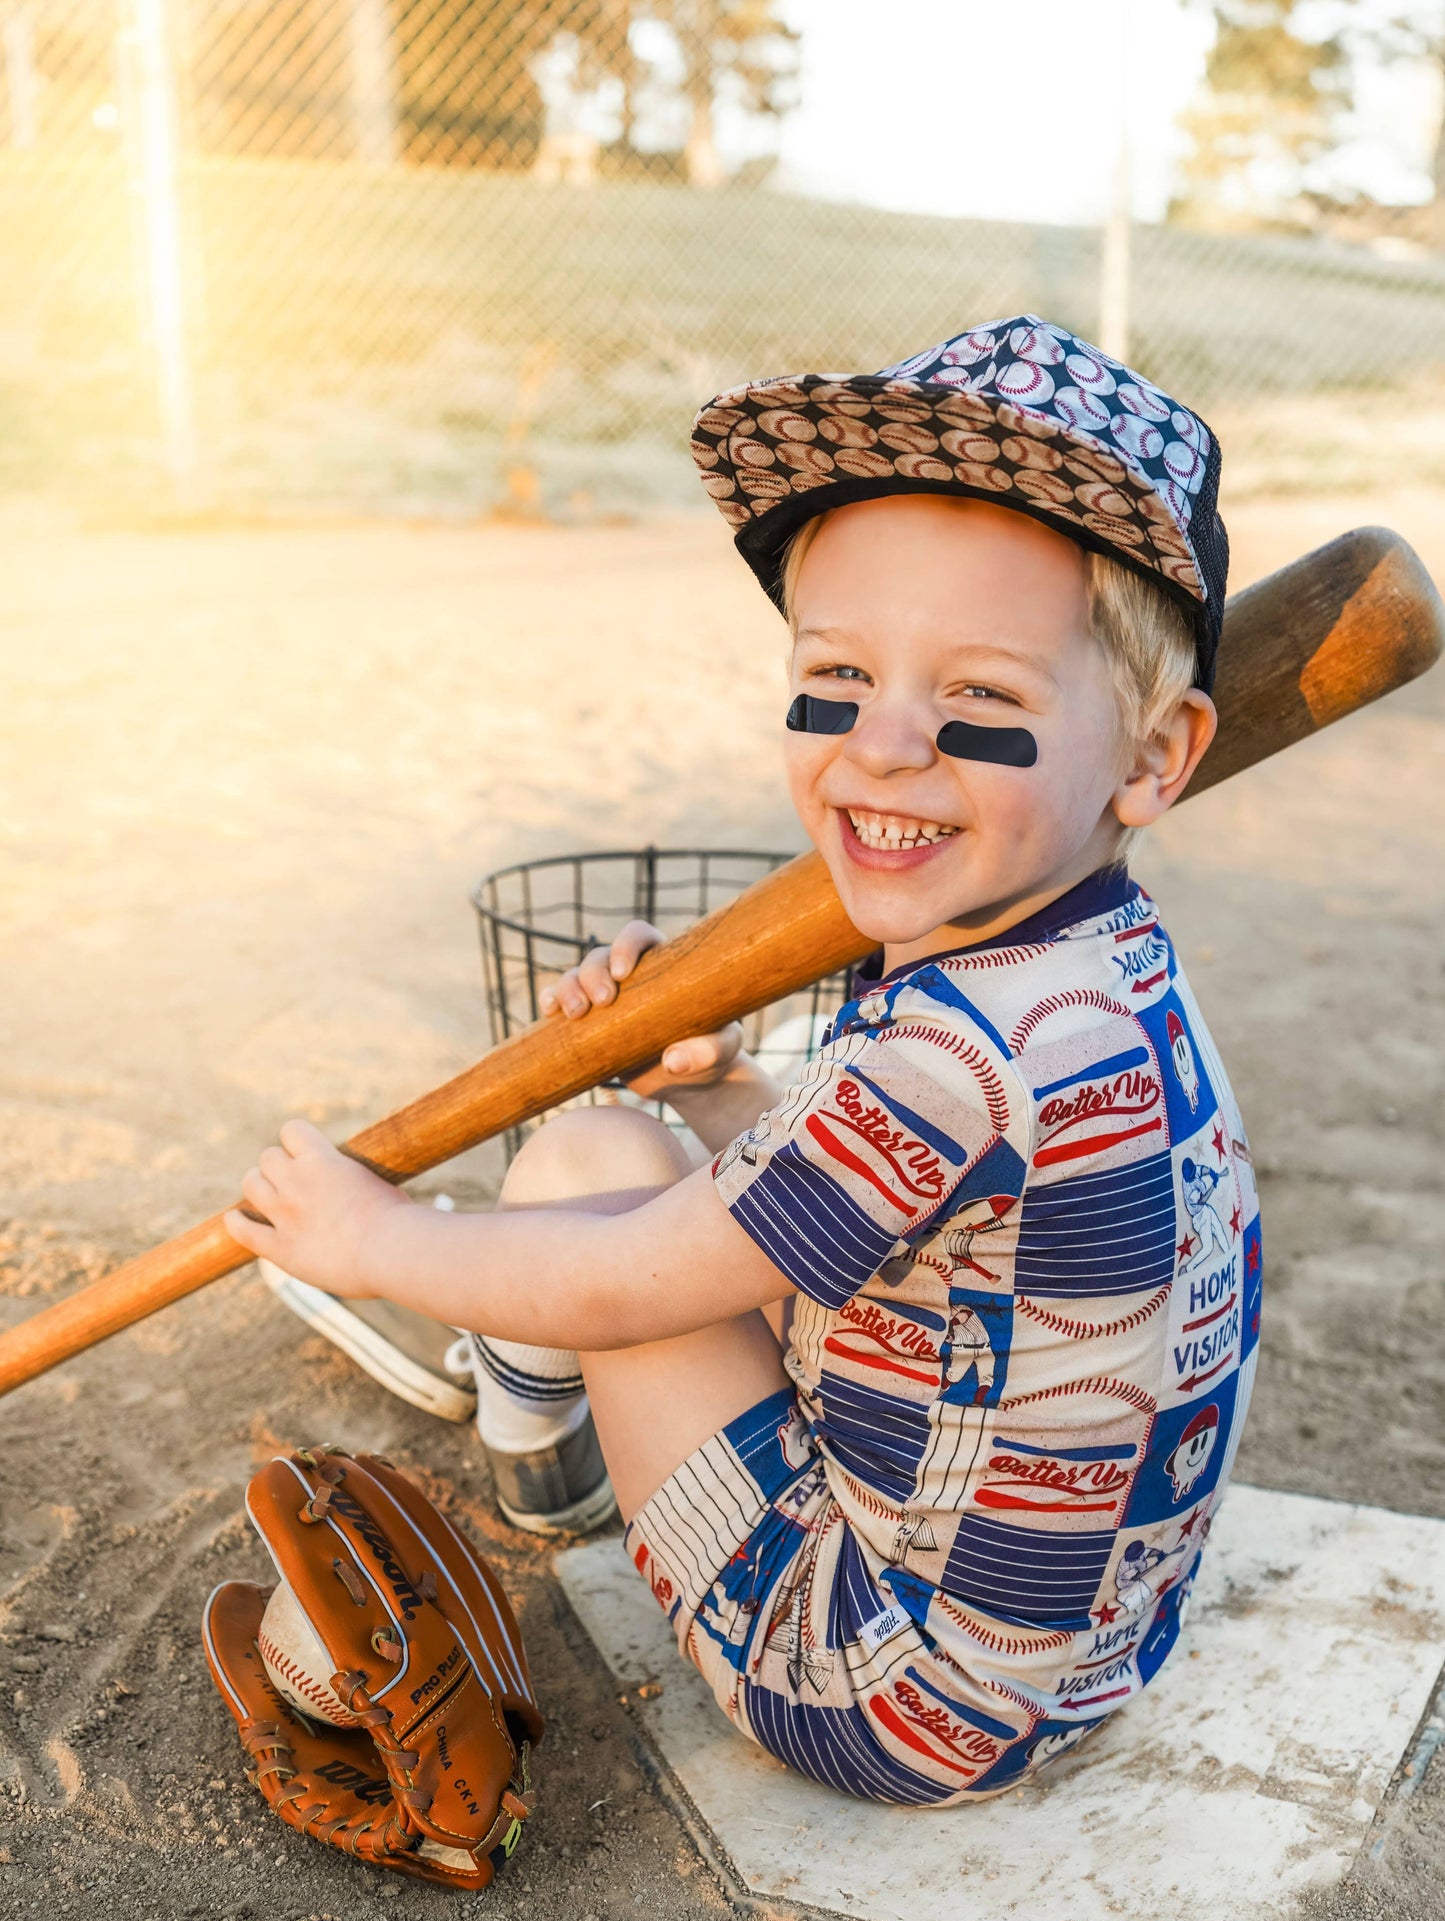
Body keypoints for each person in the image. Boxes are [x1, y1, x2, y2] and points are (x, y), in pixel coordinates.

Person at [228, 317, 1263, 1802]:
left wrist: (373, 1237)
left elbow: (621, 1282)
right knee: (614, 1151)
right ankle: (524, 1381)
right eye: (835, 674)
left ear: (1154, 760)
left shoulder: (958, 1051)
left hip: (877, 1688)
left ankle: (540, 1451)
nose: (885, 747)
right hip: (1084, 1644)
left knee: (580, 1200)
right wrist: (716, 1081)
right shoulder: (1091, 970)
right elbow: (933, 1201)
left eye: (981, 700)